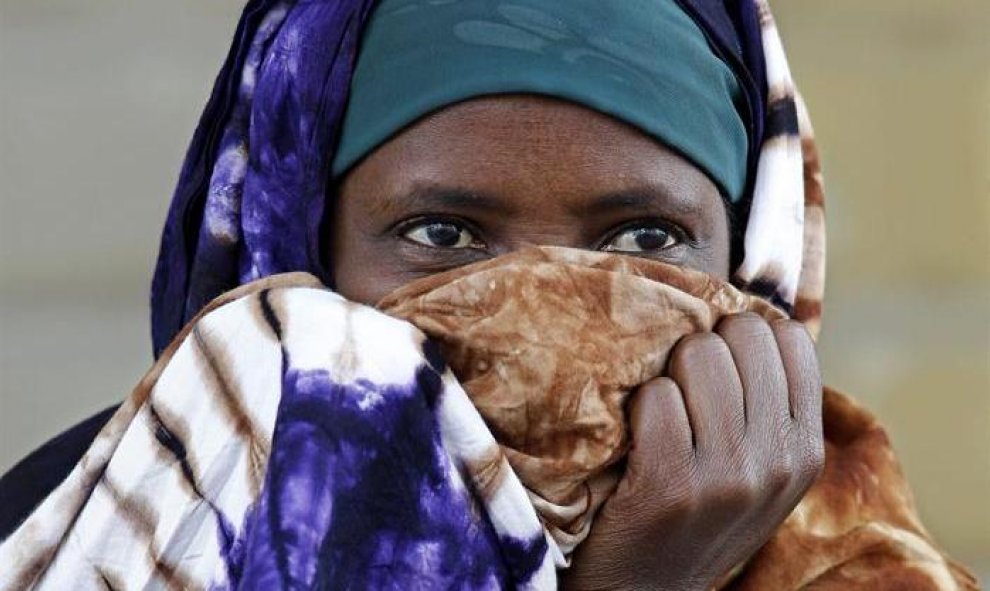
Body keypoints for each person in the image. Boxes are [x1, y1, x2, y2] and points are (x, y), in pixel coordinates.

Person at [0, 0, 978, 589]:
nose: (549, 315)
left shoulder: (851, 561)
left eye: (646, 239)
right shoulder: (77, 543)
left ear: (753, 264)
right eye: (444, 236)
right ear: (294, 251)